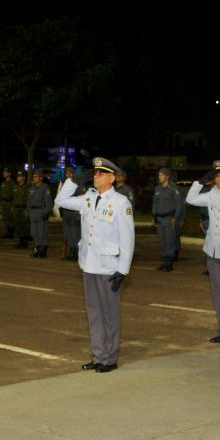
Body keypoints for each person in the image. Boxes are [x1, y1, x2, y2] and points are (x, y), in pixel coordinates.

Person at [55, 157, 134, 373]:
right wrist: (72, 180)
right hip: (89, 264)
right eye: (95, 173)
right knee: (94, 313)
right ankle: (98, 355)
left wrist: (123, 269)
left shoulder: (120, 203)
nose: (96, 176)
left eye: (101, 174)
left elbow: (128, 238)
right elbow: (61, 201)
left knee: (110, 313)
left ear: (111, 178)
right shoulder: (88, 199)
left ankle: (110, 358)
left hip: (109, 266)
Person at [185, 160, 220, 345]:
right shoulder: (212, 194)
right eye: (216, 175)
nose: (218, 179)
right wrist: (200, 183)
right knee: (218, 294)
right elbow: (190, 199)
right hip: (213, 250)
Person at [151, 168, 183, 271]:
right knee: (162, 241)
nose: (159, 177)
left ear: (167, 176)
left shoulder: (174, 189)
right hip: (159, 219)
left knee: (169, 241)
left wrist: (175, 218)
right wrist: (153, 217)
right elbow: (155, 204)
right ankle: (164, 262)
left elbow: (179, 205)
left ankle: (169, 264)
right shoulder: (157, 189)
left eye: (161, 175)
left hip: (170, 219)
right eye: (159, 175)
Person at [59, 165, 86, 261]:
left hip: (75, 214)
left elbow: (83, 200)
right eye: (67, 173)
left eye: (70, 173)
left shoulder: (79, 185)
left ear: (74, 174)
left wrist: (80, 214)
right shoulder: (65, 185)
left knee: (76, 234)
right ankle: (72, 252)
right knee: (69, 234)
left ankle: (77, 254)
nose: (68, 175)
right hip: (66, 213)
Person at [27, 169, 52, 258]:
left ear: (41, 178)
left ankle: (43, 251)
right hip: (33, 213)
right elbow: (29, 201)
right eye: (33, 176)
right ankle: (37, 249)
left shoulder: (45, 188)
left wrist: (46, 212)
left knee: (42, 233)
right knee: (34, 233)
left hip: (41, 212)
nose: (34, 178)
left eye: (36, 177)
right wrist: (28, 211)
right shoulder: (32, 188)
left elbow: (48, 202)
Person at [12, 170, 31, 249]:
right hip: (17, 208)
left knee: (25, 226)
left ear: (23, 178)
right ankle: (20, 241)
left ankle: (25, 242)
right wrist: (12, 207)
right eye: (18, 176)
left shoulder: (27, 187)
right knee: (18, 225)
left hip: (24, 208)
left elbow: (29, 199)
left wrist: (27, 210)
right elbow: (14, 198)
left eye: (20, 176)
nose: (18, 178)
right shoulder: (15, 187)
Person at [0, 166, 17, 239]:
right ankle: (8, 232)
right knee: (5, 218)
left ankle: (11, 233)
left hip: (10, 202)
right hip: (4, 203)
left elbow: (15, 195)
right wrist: (0, 203)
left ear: (9, 174)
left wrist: (13, 205)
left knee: (11, 218)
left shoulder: (13, 183)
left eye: (6, 172)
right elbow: (0, 194)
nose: (4, 173)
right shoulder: (3, 183)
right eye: (3, 172)